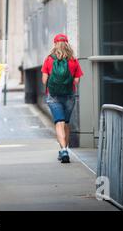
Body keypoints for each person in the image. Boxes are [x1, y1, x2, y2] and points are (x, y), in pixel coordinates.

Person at [41, 34, 83, 164]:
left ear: (55, 44)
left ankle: (63, 150)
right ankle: (66, 149)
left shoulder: (49, 60)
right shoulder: (73, 60)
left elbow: (44, 80)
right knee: (66, 123)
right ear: (67, 44)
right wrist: (66, 83)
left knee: (58, 123)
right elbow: (76, 81)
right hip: (69, 96)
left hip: (53, 96)